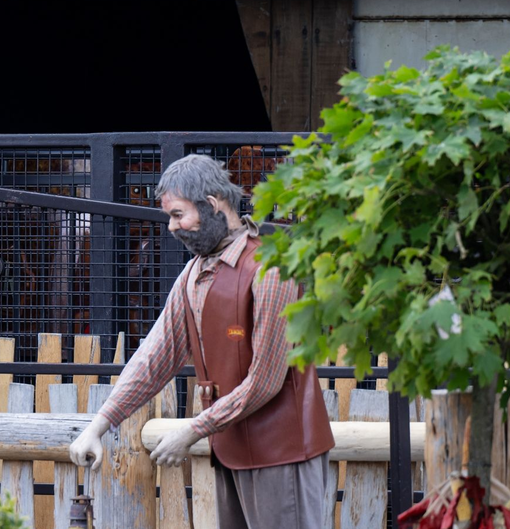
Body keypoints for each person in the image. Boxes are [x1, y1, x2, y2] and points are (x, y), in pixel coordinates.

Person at [68, 154, 335, 529]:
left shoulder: (271, 269)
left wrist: (193, 429)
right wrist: (99, 425)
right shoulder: (193, 274)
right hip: (230, 450)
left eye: (178, 215)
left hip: (282, 452)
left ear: (212, 205)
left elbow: (265, 382)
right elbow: (154, 357)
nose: (171, 228)